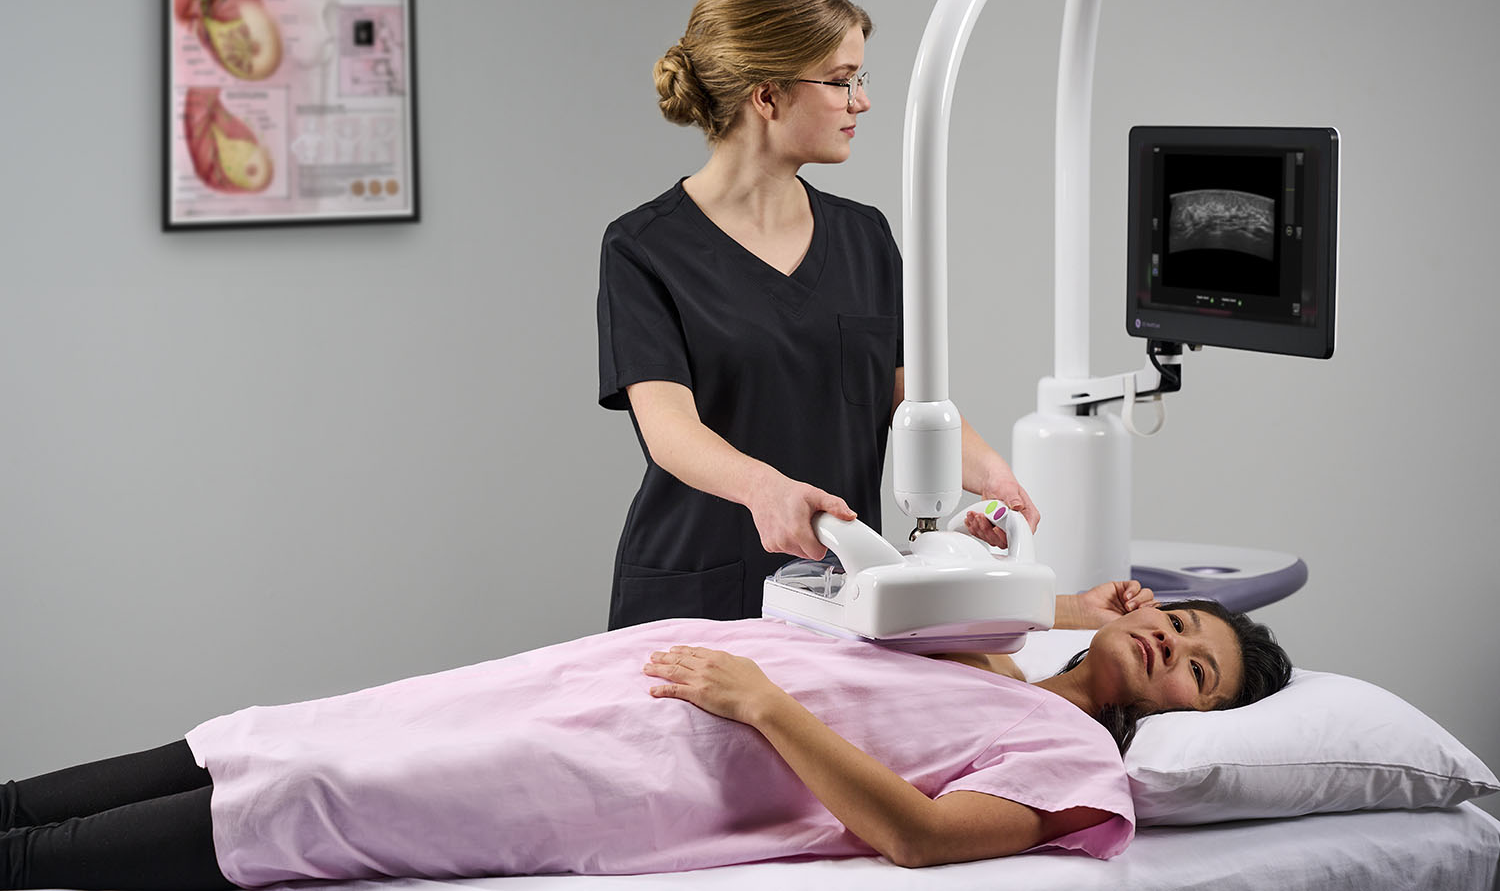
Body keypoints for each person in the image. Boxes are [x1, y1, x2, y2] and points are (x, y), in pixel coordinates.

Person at [0, 589, 1291, 888]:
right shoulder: (1000, 642)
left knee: (326, 787)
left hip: (650, 764)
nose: (1169, 644)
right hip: (600, 678)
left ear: (1193, 715)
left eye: (1195, 668)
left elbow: (917, 835)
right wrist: (1059, 600)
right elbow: (856, 590)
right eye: (1178, 619)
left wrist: (764, 707)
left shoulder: (1082, 765)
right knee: (271, 737)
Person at [598, 0, 1036, 628]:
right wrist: (764, 490)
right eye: (841, 82)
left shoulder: (864, 237)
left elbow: (911, 399)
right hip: (696, 596)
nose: (862, 102)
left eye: (860, 79)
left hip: (842, 592)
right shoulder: (645, 248)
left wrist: (991, 476)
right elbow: (670, 432)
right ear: (767, 96)